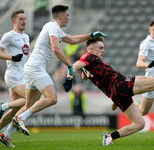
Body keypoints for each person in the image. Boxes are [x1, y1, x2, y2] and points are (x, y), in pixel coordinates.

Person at [62, 37, 154, 146]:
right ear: (91, 49)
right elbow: (73, 66)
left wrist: (85, 73)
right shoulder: (88, 57)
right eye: (100, 48)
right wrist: (69, 79)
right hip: (120, 84)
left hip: (114, 95)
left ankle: (110, 137)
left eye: (103, 48)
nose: (103, 50)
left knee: (140, 124)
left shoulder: (89, 62)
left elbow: (84, 76)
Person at [5, 5, 106, 145]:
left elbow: (72, 39)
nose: (69, 18)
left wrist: (91, 35)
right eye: (67, 15)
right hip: (36, 67)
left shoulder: (55, 28)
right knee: (52, 98)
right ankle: (20, 118)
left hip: (32, 67)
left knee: (29, 104)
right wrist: (69, 65)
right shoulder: (53, 27)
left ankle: (6, 133)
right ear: (61, 16)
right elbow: (56, 48)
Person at [0, 9, 29, 148]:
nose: (24, 21)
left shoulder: (27, 37)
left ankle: (5, 134)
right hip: (13, 75)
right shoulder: (9, 36)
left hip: (22, 75)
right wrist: (11, 57)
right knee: (30, 100)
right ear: (14, 21)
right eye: (21, 19)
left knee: (15, 109)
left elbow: (25, 56)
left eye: (25, 19)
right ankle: (2, 106)